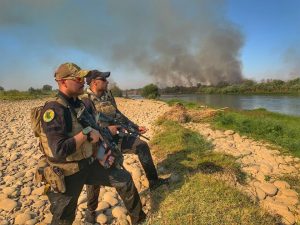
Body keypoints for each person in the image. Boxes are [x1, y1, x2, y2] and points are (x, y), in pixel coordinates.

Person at [38, 63, 145, 225]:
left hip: (88, 161)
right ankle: (90, 211)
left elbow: (95, 130)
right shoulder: (54, 109)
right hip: (68, 172)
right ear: (62, 82)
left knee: (124, 179)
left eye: (83, 78)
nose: (83, 82)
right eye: (78, 78)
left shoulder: (79, 104)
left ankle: (140, 220)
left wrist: (109, 136)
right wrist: (85, 134)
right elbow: (59, 150)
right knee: (64, 218)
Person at [82, 69, 168, 223]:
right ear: (94, 82)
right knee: (95, 176)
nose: (107, 82)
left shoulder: (108, 95)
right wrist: (106, 130)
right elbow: (86, 128)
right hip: (100, 145)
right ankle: (91, 209)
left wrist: (135, 127)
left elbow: (118, 115)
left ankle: (153, 181)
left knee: (141, 146)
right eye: (104, 79)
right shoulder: (85, 101)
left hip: (117, 138)